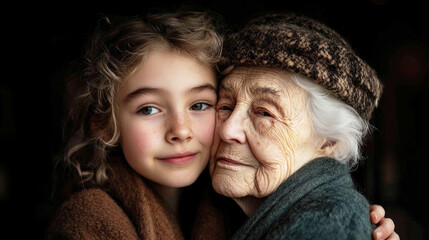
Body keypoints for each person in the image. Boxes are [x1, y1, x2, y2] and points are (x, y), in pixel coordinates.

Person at [46, 9, 397, 240]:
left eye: (200, 105)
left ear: (329, 143)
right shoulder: (89, 219)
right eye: (224, 105)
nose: (181, 130)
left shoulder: (249, 205)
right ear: (104, 124)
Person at [208, 12, 400, 239]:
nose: (227, 130)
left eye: (264, 113)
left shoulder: (325, 227)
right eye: (225, 106)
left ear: (329, 141)